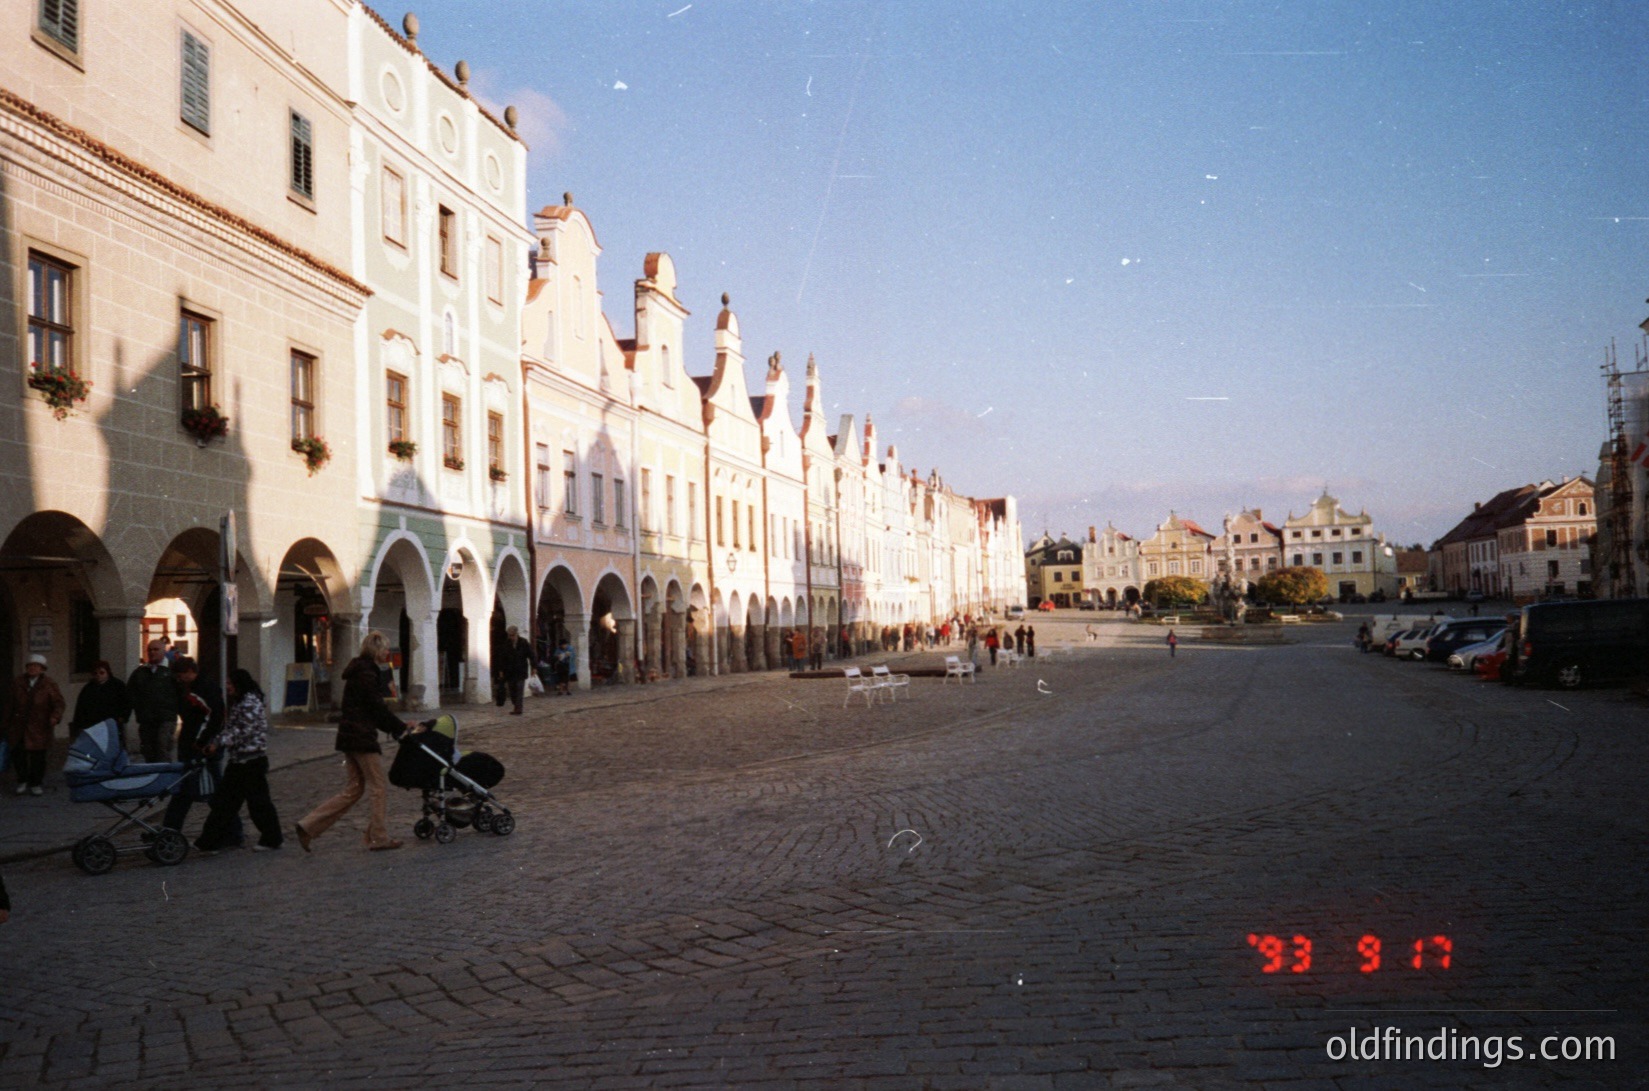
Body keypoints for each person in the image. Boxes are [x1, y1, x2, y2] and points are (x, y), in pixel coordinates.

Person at [294, 631, 412, 852]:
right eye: (386, 649)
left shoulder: (360, 671)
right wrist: (400, 727)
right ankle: (378, 837)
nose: (388, 653)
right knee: (378, 787)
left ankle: (308, 825)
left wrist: (394, 726)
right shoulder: (367, 674)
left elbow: (372, 708)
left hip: (350, 736)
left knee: (354, 788)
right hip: (361, 737)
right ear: (376, 650)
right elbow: (376, 708)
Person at [196, 669, 282, 853]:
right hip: (243, 760)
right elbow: (232, 728)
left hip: (249, 761)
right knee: (231, 802)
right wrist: (217, 741)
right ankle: (210, 841)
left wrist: (218, 744)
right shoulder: (241, 701)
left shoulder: (249, 702)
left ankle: (270, 838)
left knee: (249, 803)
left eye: (229, 683)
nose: (227, 687)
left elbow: (243, 731)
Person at [161, 658, 229, 838]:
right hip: (192, 745)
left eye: (181, 675)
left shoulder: (204, 689)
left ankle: (232, 831)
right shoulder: (188, 688)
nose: (179, 679)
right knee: (185, 790)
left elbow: (214, 718)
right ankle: (170, 830)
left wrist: (201, 742)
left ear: (191, 672)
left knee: (211, 792)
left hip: (202, 748)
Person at [6, 654, 65, 796]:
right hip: (19, 725)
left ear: (42, 669)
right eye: (30, 666)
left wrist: (55, 717)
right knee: (18, 755)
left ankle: (36, 783)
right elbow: (9, 704)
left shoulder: (49, 684)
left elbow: (59, 703)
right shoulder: (18, 682)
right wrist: (5, 723)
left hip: (40, 725)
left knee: (38, 757)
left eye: (36, 666)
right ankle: (22, 781)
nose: (32, 668)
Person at [127, 640, 180, 763]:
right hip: (146, 719)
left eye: (156, 649)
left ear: (164, 651)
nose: (152, 652)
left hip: (166, 718)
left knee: (162, 746)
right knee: (148, 750)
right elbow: (131, 694)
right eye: (150, 650)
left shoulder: (171, 671)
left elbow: (181, 692)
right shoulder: (140, 672)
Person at [71, 660, 133, 745]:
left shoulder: (118, 686)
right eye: (96, 673)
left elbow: (127, 702)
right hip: (93, 726)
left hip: (112, 725)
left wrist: (122, 717)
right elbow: (81, 708)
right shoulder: (88, 688)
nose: (98, 676)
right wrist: (79, 725)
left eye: (101, 673)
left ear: (108, 672)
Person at [498, 625, 533, 715]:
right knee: (512, 690)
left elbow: (531, 655)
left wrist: (534, 667)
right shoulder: (506, 644)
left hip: (521, 670)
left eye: (513, 635)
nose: (511, 637)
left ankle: (518, 708)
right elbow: (502, 658)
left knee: (519, 689)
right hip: (510, 671)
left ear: (517, 634)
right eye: (509, 635)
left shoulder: (524, 643)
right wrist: (501, 670)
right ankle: (515, 705)